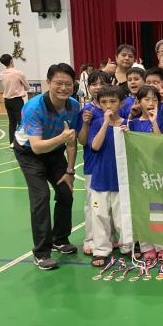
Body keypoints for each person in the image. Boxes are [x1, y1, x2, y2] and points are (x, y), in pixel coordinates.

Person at [13, 63, 80, 270]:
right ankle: (42, 253)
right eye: (58, 83)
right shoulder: (33, 107)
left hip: (55, 152)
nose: (64, 88)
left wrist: (70, 170)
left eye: (68, 84)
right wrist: (62, 137)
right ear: (48, 82)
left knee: (65, 192)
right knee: (41, 196)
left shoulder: (73, 106)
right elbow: (36, 146)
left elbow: (71, 142)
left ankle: (60, 239)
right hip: (30, 153)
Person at [88, 85, 132, 267]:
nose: (108, 105)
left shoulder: (128, 124)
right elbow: (95, 146)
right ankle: (100, 250)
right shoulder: (97, 123)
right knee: (100, 217)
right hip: (100, 179)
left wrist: (129, 136)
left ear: (121, 103)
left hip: (121, 180)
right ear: (98, 104)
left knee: (122, 217)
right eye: (104, 102)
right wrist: (105, 123)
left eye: (113, 101)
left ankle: (127, 246)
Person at [127, 85, 163, 262]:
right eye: (147, 99)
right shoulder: (132, 123)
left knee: (158, 209)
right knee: (142, 210)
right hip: (139, 172)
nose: (151, 103)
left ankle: (162, 246)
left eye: (155, 99)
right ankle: (147, 246)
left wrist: (154, 122)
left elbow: (160, 143)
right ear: (138, 102)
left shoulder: (160, 120)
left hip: (156, 172)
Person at [75, 70, 111, 256]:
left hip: (112, 165)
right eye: (94, 84)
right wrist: (86, 123)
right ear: (88, 87)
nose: (98, 87)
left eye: (102, 83)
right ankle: (90, 239)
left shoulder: (114, 107)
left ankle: (109, 237)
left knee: (110, 205)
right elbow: (82, 140)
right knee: (93, 205)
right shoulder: (86, 111)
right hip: (93, 165)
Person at [0, 53, 29, 147]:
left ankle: (12, 142)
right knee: (21, 122)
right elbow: (27, 87)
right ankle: (21, 143)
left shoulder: (2, 73)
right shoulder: (18, 73)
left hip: (7, 100)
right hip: (17, 100)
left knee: (12, 122)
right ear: (11, 60)